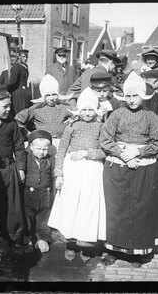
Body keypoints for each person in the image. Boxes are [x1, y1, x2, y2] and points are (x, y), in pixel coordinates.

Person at [99, 72, 158, 267]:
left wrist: (137, 153)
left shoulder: (151, 117)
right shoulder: (116, 115)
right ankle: (113, 250)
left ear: (142, 96)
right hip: (118, 168)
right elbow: (105, 139)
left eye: (135, 96)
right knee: (117, 209)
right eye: (128, 96)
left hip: (143, 168)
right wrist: (123, 155)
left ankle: (137, 252)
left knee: (140, 209)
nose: (131, 100)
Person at [48, 87, 107, 262]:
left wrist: (87, 153)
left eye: (91, 110)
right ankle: (71, 244)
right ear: (79, 110)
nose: (87, 113)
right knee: (71, 205)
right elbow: (61, 151)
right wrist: (59, 174)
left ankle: (87, 243)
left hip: (92, 169)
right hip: (72, 169)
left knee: (88, 206)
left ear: (96, 110)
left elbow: (105, 150)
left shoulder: (101, 127)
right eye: (84, 110)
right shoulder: (71, 126)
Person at [0, 85, 27, 253]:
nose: (9, 109)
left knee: (10, 208)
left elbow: (19, 147)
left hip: (8, 171)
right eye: (5, 106)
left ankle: (11, 239)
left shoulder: (11, 124)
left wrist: (21, 169)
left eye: (9, 105)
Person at [15, 74, 74, 151]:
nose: (52, 98)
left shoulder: (65, 107)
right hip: (42, 144)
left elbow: (79, 115)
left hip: (61, 142)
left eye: (54, 94)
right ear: (43, 96)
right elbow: (18, 119)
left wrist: (72, 120)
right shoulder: (36, 108)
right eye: (48, 95)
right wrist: (28, 133)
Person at [23, 130, 55, 254]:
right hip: (29, 193)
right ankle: (28, 240)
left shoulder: (51, 160)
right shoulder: (26, 158)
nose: (41, 152)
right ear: (31, 146)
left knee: (43, 218)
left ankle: (42, 239)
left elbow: (54, 173)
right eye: (38, 149)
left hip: (45, 194)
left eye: (45, 149)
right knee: (27, 217)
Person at [7, 49, 32, 116]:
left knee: (25, 112)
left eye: (26, 57)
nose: (26, 58)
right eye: (23, 56)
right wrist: (8, 91)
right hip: (18, 93)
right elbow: (12, 82)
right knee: (20, 112)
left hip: (24, 92)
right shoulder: (16, 67)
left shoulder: (24, 66)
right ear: (19, 57)